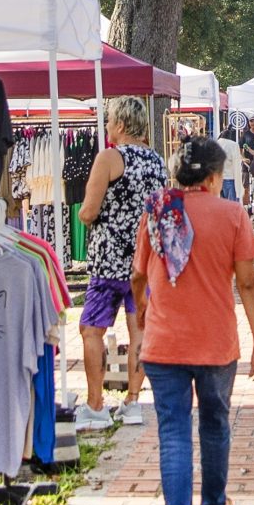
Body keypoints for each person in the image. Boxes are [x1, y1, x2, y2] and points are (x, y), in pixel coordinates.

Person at [131, 135, 254, 505]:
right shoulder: (232, 215)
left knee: (172, 433)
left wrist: (141, 313)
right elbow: (247, 283)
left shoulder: (156, 211)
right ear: (212, 176)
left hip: (164, 342)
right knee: (214, 424)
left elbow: (137, 277)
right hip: (215, 343)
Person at [75, 96, 167, 429]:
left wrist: (87, 219)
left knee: (91, 330)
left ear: (122, 125)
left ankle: (96, 404)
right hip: (144, 261)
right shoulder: (157, 162)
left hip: (108, 262)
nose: (108, 126)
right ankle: (132, 402)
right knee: (139, 328)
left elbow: (88, 210)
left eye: (110, 120)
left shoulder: (109, 158)